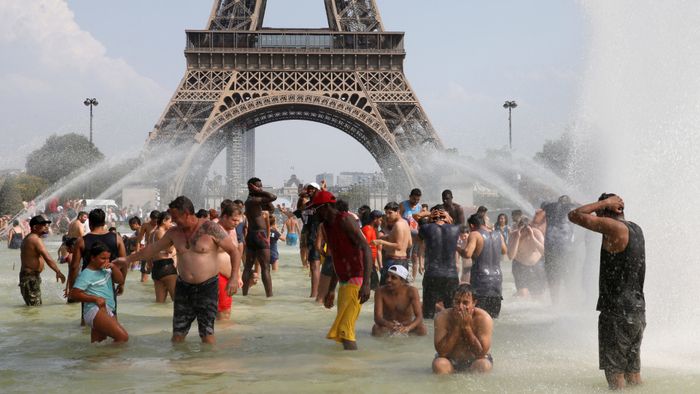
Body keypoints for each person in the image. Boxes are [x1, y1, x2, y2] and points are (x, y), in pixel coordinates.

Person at [113, 196, 241, 344]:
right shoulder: (174, 232)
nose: (173, 221)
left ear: (186, 213)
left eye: (175, 217)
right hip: (183, 287)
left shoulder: (210, 228)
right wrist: (127, 259)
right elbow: (152, 249)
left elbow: (234, 251)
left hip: (207, 287)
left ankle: (208, 365)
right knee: (178, 335)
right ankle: (178, 365)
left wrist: (233, 278)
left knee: (207, 335)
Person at [568, 193, 646, 390]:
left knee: (615, 376)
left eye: (599, 211)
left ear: (605, 211)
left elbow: (574, 215)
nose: (595, 213)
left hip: (617, 313)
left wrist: (603, 203)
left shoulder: (614, 229)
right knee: (633, 374)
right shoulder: (635, 228)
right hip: (637, 311)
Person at [315, 190, 372, 350]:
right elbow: (336, 258)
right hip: (344, 282)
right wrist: (331, 289)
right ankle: (346, 366)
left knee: (346, 331)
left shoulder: (345, 220)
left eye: (316, 208)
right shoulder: (327, 226)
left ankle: (352, 370)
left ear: (326, 207)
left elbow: (366, 248)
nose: (314, 212)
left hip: (357, 279)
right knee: (344, 332)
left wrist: (366, 284)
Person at [69, 241, 128, 343]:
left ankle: (96, 359)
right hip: (95, 310)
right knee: (123, 337)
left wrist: (113, 267)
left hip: (107, 309)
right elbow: (74, 294)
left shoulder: (106, 269)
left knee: (98, 345)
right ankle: (115, 359)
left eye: (108, 258)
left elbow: (120, 280)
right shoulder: (86, 274)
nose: (106, 261)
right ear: (92, 258)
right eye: (103, 258)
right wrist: (95, 298)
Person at [432, 284, 494, 375]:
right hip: (450, 360)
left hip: (475, 360)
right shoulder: (442, 317)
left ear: (474, 303)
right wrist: (457, 326)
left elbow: (481, 354)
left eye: (465, 303)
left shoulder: (484, 318)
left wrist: (467, 327)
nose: (460, 307)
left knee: (483, 365)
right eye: (457, 302)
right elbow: (442, 352)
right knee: (439, 364)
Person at [419, 205, 464, 319]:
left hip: (432, 275)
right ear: (447, 216)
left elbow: (417, 217)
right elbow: (462, 224)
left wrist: (429, 216)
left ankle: (430, 335)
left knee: (428, 313)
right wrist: (449, 218)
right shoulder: (455, 229)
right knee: (452, 312)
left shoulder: (426, 228)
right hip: (451, 276)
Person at [462, 214, 506, 318]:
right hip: (497, 282)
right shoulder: (498, 234)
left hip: (481, 282)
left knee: (478, 319)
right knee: (493, 319)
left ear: (472, 225)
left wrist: (459, 248)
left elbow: (468, 253)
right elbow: (504, 251)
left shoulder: (475, 234)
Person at [537, 195, 578, 304]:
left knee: (553, 276)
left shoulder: (549, 206)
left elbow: (542, 204)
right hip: (566, 247)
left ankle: (555, 303)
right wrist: (573, 201)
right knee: (568, 275)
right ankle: (570, 302)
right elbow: (582, 207)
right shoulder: (571, 207)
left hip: (550, 246)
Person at [19, 215, 66, 306]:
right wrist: (58, 272)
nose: (46, 227)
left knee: (33, 307)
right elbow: (47, 257)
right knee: (34, 308)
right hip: (30, 278)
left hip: (30, 277)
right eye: (43, 225)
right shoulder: (35, 239)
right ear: (35, 227)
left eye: (46, 225)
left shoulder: (30, 238)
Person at [243, 177, 277, 297]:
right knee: (265, 267)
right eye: (258, 186)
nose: (261, 188)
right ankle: (270, 296)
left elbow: (272, 208)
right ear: (252, 187)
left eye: (261, 186)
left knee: (248, 266)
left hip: (252, 235)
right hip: (259, 235)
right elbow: (273, 197)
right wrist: (260, 191)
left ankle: (245, 295)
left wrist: (260, 193)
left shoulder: (251, 200)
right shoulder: (253, 200)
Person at [372, 265, 426, 336]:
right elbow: (377, 318)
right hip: (388, 325)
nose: (388, 280)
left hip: (406, 324)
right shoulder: (380, 291)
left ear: (403, 281)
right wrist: (390, 325)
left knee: (422, 329)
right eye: (387, 276)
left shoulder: (412, 291)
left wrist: (408, 328)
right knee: (376, 329)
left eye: (393, 278)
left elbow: (419, 317)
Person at [217, 200, 244, 320]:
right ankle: (224, 336)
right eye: (234, 220)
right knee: (224, 313)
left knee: (225, 312)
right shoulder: (215, 230)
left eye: (238, 220)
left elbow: (235, 254)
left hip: (229, 278)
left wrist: (238, 276)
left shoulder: (232, 230)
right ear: (224, 216)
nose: (236, 223)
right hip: (218, 276)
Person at [373, 202, 411, 285]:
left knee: (385, 291)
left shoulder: (398, 225)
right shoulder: (405, 223)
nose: (387, 215)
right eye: (386, 213)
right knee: (400, 291)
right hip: (403, 261)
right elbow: (409, 243)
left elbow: (399, 246)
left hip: (394, 262)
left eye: (390, 213)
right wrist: (388, 237)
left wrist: (381, 241)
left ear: (397, 212)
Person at [507, 217, 546, 297]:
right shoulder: (514, 235)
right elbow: (511, 256)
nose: (524, 233)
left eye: (526, 229)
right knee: (523, 295)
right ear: (518, 228)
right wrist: (517, 237)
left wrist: (532, 237)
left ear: (530, 227)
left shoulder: (537, 233)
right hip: (519, 266)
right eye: (522, 230)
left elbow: (544, 252)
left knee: (538, 296)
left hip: (536, 266)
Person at [295, 182, 322, 296]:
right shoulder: (308, 205)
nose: (309, 190)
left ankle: (316, 294)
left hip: (318, 237)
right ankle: (315, 295)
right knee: (314, 266)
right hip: (311, 237)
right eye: (308, 189)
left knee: (316, 266)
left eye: (312, 189)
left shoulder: (320, 204)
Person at [400, 188, 429, 278]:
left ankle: (413, 279)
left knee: (415, 256)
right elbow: (398, 218)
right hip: (405, 235)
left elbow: (423, 219)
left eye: (418, 199)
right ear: (410, 197)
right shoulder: (403, 205)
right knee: (405, 255)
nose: (416, 201)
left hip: (416, 235)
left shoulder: (419, 207)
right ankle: (404, 276)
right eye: (414, 199)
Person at [151, 212, 178, 303]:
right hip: (166, 267)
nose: (171, 224)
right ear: (164, 221)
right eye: (170, 222)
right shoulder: (162, 233)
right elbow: (169, 250)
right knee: (177, 300)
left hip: (155, 268)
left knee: (159, 302)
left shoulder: (152, 234)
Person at [135, 210, 160, 282]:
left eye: (157, 221)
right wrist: (137, 253)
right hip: (147, 252)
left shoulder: (161, 226)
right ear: (151, 218)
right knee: (144, 279)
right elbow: (139, 240)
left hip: (158, 253)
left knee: (158, 278)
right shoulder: (146, 225)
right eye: (154, 221)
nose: (155, 223)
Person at [362, 210, 383, 291]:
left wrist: (376, 262)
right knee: (375, 287)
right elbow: (365, 247)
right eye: (380, 220)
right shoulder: (367, 229)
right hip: (367, 262)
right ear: (375, 219)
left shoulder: (373, 229)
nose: (381, 222)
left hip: (371, 262)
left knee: (374, 286)